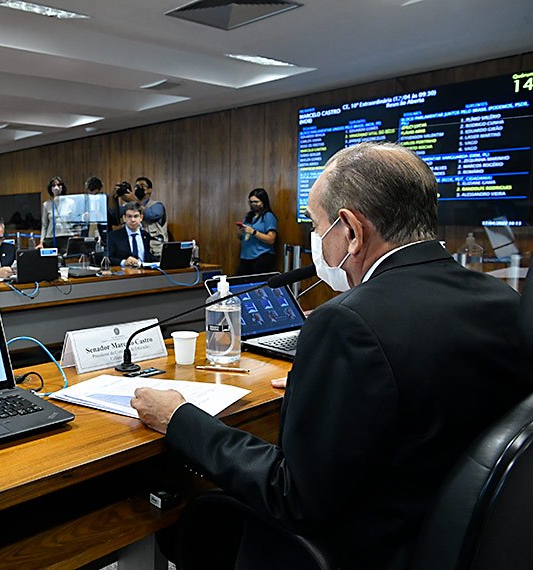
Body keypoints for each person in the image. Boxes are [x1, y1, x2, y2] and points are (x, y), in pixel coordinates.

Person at [130, 142, 530, 570]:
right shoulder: (503, 299)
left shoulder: (348, 322)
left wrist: (180, 419)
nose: (315, 243)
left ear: (352, 231)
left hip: (367, 551)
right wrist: (326, 385)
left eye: (317, 228)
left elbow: (292, 496)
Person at [118, 177, 167, 257]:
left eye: (142, 185)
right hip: (130, 252)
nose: (138, 188)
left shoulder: (157, 206)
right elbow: (114, 214)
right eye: (136, 186)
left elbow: (149, 215)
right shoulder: (128, 206)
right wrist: (115, 196)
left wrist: (133, 200)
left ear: (149, 190)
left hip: (154, 252)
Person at [237, 188, 278, 275]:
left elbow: (271, 239)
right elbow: (241, 236)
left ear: (263, 202)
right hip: (246, 256)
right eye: (251, 202)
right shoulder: (249, 216)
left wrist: (253, 232)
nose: (253, 204)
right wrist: (241, 232)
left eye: (256, 202)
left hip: (261, 256)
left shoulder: (268, 216)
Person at [107, 202, 159, 268]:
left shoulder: (146, 235)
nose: (133, 220)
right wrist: (123, 262)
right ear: (124, 218)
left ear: (141, 218)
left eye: (136, 216)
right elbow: (109, 257)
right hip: (124, 274)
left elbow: (150, 257)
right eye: (129, 216)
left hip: (144, 273)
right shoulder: (113, 236)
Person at [39, 176, 74, 249]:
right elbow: (44, 225)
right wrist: (41, 242)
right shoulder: (46, 204)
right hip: (51, 238)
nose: (56, 187)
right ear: (50, 188)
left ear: (62, 187)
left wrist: (77, 236)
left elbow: (75, 222)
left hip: (66, 236)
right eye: (54, 185)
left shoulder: (70, 203)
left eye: (58, 185)